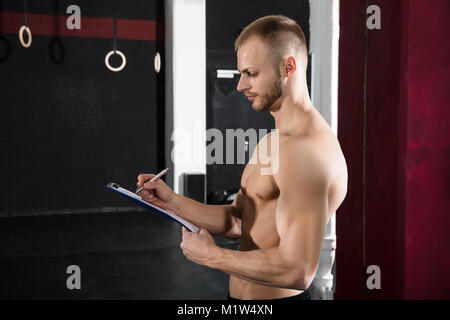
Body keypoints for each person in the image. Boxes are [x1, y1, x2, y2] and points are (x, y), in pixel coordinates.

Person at [137, 15, 347, 300]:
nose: (240, 86)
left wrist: (212, 257)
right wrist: (172, 201)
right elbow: (238, 221)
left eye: (251, 73)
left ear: (288, 67)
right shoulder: (274, 141)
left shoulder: (305, 152)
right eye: (241, 74)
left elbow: (298, 270)